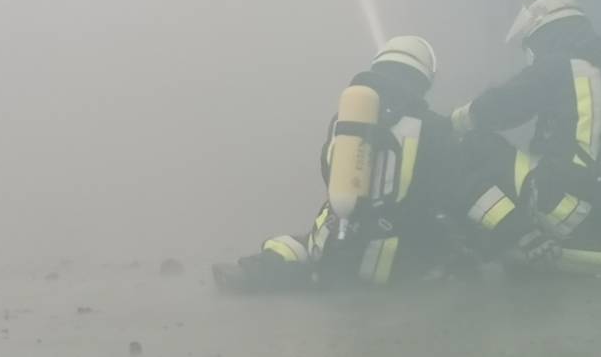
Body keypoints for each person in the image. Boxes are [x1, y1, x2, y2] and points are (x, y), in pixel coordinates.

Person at [217, 36, 519, 291]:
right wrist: (515, 227)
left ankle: (263, 267)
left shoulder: (346, 119)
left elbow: (329, 171)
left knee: (300, 245)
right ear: (423, 79)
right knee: (459, 252)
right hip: (393, 265)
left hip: (336, 250)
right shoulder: (435, 128)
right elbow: (463, 190)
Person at [450, 0, 601, 248]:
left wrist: (455, 121)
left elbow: (504, 105)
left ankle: (514, 235)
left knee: (475, 146)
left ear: (547, 34)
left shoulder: (559, 65)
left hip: (565, 207)